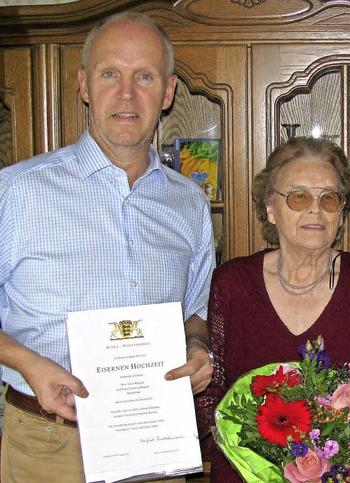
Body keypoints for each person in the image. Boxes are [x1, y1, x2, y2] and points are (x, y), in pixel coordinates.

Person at [0, 12, 215, 483]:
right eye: (110, 73)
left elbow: (194, 310)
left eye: (145, 76)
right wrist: (27, 363)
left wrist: (198, 347)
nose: (126, 93)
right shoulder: (17, 191)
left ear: (169, 91)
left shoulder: (189, 203)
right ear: (83, 84)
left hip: (156, 443)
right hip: (49, 445)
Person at [194, 136, 350, 481]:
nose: (315, 209)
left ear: (341, 211)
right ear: (270, 209)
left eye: (329, 198)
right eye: (298, 196)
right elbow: (210, 392)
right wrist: (251, 458)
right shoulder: (231, 283)